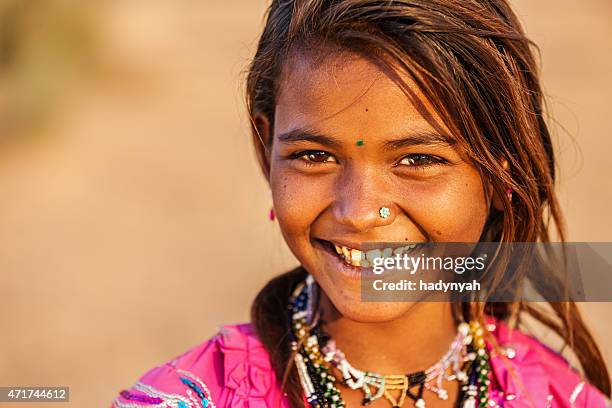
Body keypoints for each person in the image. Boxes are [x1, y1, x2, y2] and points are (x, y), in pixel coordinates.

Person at [110, 0, 611, 406]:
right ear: (267, 156)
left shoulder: (557, 396)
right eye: (314, 155)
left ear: (501, 170)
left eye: (417, 159)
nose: (359, 210)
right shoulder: (187, 398)